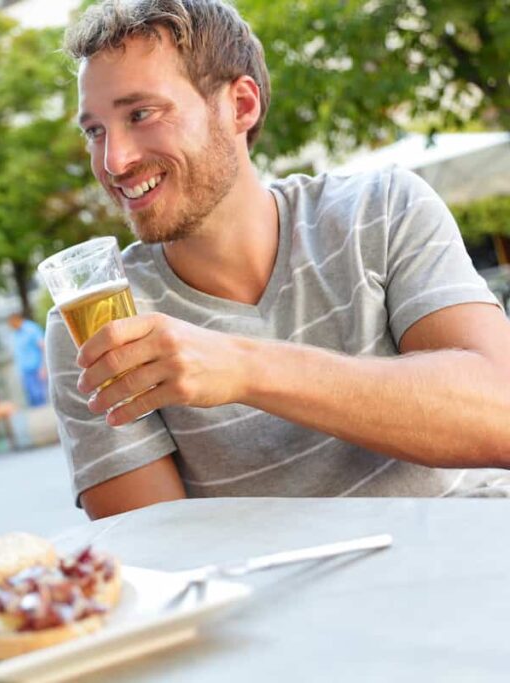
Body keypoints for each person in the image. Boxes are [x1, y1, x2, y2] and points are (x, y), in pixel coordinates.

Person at [48, 0, 510, 520]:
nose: (114, 160)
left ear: (241, 105)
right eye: (95, 131)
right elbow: (156, 561)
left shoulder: (380, 210)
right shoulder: (97, 324)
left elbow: (500, 417)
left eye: (141, 114)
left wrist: (244, 368)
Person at [7, 312, 48, 407]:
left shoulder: (31, 328)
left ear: (16, 320)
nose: (11, 326)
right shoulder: (15, 333)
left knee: (41, 398)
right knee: (32, 399)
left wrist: (44, 367)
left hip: (37, 369)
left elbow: (43, 347)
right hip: (25, 371)